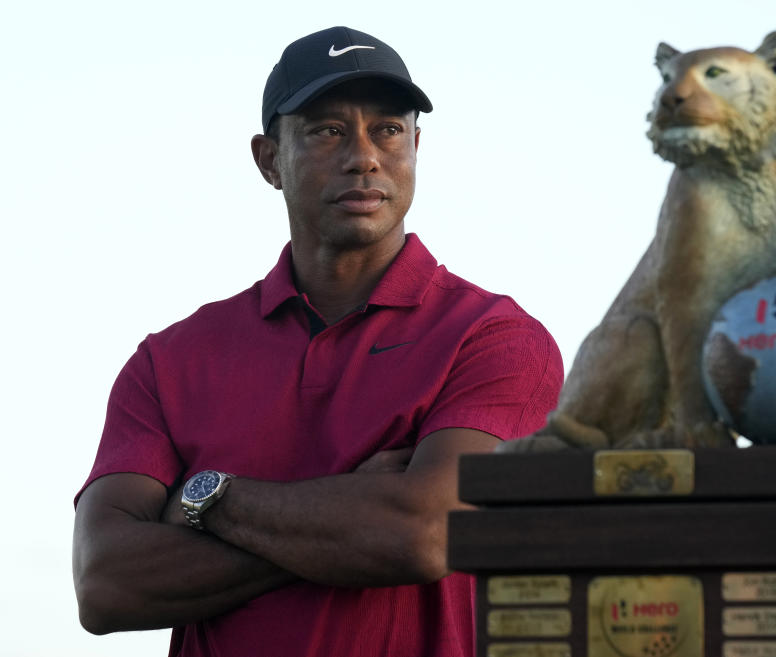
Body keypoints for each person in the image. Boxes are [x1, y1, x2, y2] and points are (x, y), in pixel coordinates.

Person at [72, 26, 563, 657]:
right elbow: (105, 583)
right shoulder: (170, 361)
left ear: (416, 145)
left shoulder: (494, 338)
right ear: (269, 159)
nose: (364, 156)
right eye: (326, 130)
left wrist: (206, 499)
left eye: (387, 129)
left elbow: (428, 535)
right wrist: (354, 510)